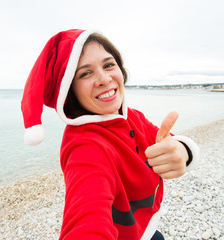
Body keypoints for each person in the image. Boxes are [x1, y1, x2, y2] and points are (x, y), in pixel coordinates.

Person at [21, 29, 199, 240]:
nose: (104, 79)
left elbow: (168, 144)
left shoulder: (132, 116)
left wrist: (183, 150)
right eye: (85, 73)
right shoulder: (85, 146)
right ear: (69, 90)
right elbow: (87, 218)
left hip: (148, 229)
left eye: (108, 65)